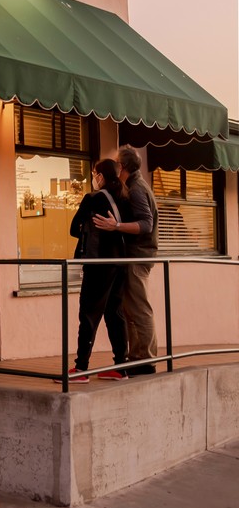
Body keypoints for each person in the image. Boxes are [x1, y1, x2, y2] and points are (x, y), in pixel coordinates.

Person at [58, 158, 131, 383]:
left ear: (100, 176)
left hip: (98, 263)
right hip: (121, 263)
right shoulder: (125, 197)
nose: (93, 177)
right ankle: (121, 366)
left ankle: (81, 369)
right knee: (114, 313)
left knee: (88, 313)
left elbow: (73, 228)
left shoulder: (93, 198)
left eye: (94, 173)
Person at [93, 145, 159, 375]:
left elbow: (145, 224)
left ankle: (146, 360)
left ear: (122, 166)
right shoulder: (134, 185)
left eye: (115, 161)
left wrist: (116, 226)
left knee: (139, 309)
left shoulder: (137, 188)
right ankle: (136, 358)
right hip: (135, 255)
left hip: (138, 256)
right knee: (130, 310)